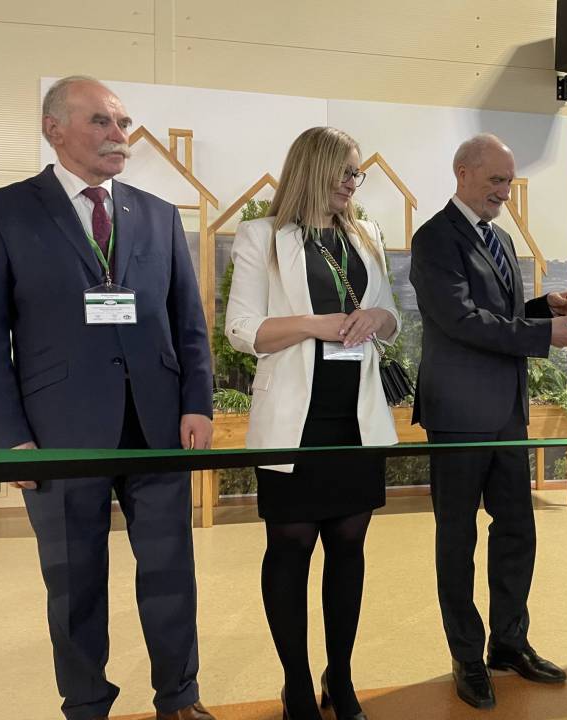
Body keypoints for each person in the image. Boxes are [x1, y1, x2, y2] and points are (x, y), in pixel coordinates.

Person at [0, 76, 215, 720]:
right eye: (101, 121)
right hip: (57, 432)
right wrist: (8, 439)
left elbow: (188, 321)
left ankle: (179, 697)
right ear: (55, 129)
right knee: (74, 583)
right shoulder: (0, 213)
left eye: (122, 123)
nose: (119, 135)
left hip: (157, 426)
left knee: (171, 572)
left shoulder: (158, 214)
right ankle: (87, 703)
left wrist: (197, 403)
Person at [225, 126, 399, 720]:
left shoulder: (368, 234)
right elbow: (242, 330)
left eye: (358, 173)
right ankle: (296, 684)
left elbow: (391, 319)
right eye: (346, 171)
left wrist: (377, 318)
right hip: (293, 420)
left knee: (349, 544)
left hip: (357, 417)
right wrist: (314, 324)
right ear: (315, 168)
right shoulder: (263, 236)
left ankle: (339, 677)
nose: (354, 182)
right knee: (291, 544)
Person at [409, 133, 567, 710]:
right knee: (456, 538)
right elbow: (461, 320)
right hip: (458, 415)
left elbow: (498, 315)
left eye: (509, 182)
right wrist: (543, 334)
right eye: (496, 181)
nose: (505, 192)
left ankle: (509, 642)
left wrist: (540, 309)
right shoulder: (434, 239)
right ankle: (466, 654)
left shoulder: (501, 239)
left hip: (508, 411)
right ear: (462, 172)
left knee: (517, 530)